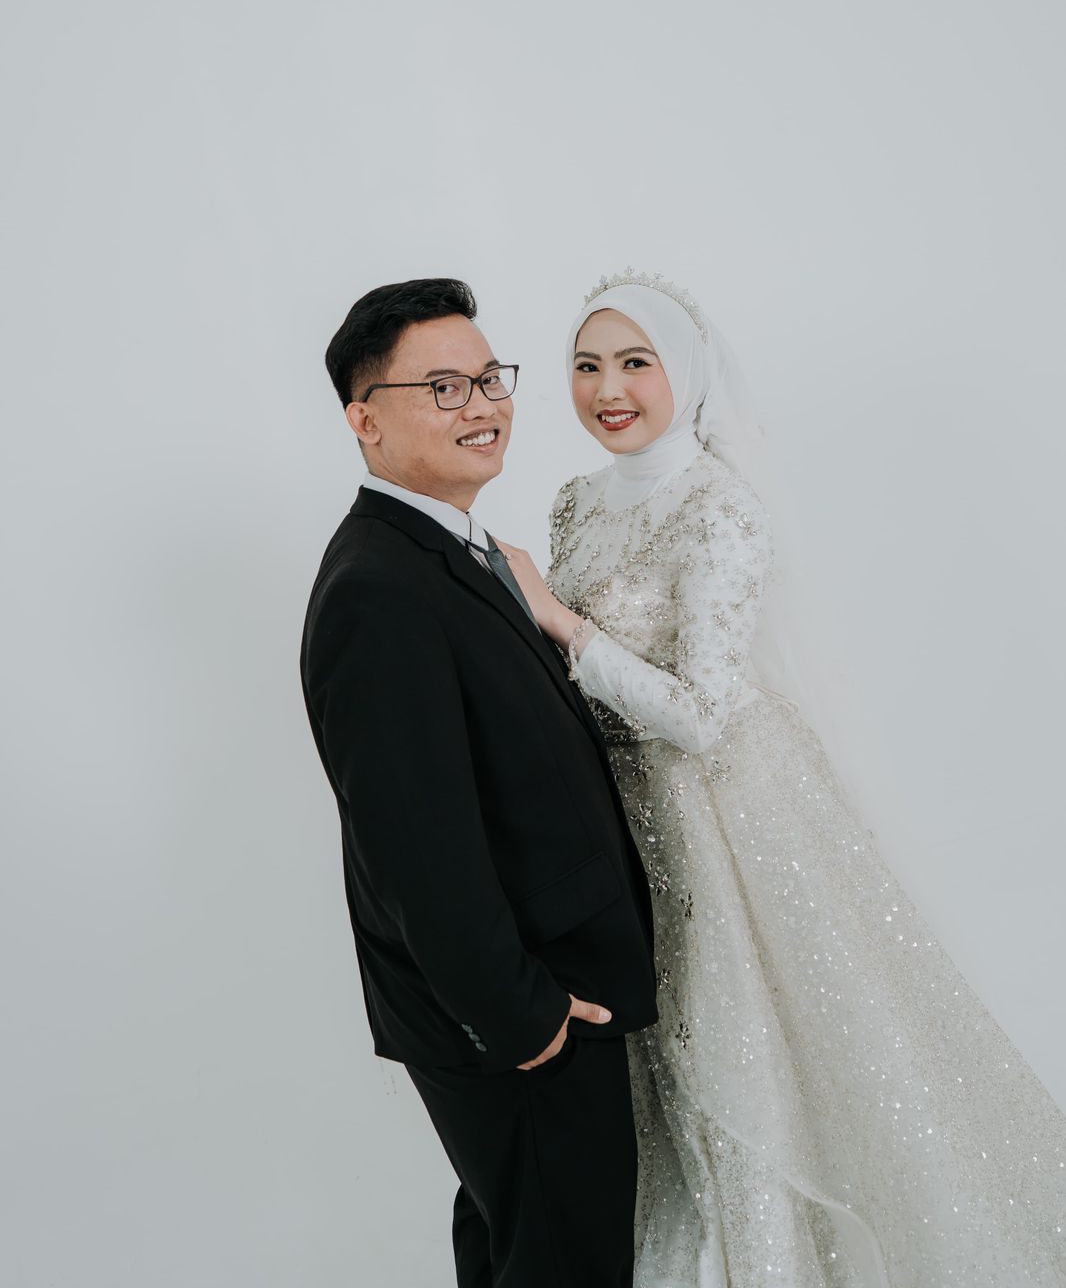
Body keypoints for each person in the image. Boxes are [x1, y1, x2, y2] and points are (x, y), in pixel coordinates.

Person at [495, 268, 1066, 1287]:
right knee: (651, 1081)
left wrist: (560, 622)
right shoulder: (575, 501)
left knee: (741, 1059)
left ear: (687, 373)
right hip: (616, 820)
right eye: (586, 366)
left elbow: (704, 715)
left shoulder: (720, 507)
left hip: (718, 821)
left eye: (635, 363)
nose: (607, 389)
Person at [299, 276, 659, 1287]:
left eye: (490, 378)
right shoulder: (377, 589)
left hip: (544, 995)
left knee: (521, 1249)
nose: (484, 405)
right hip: (522, 1017)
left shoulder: (456, 552)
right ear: (365, 421)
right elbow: (417, 847)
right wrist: (521, 1018)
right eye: (444, 387)